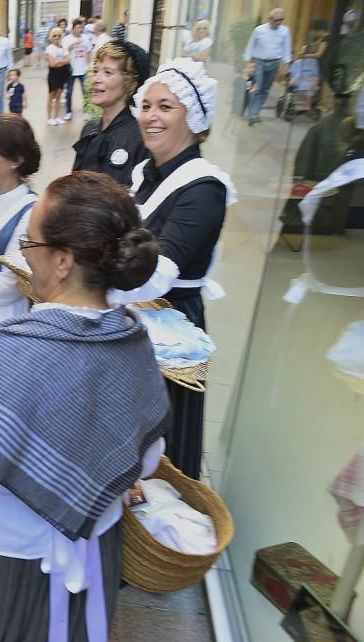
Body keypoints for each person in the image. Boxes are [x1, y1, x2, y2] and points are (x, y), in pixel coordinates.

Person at [0, 171, 170, 642]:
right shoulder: (132, 338)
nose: (25, 251)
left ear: (63, 261)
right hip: (92, 555)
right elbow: (148, 459)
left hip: (3, 567)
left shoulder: (12, 349)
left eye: (31, 240)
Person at [129, 58, 238, 478]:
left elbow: (159, 271)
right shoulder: (145, 174)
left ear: (193, 117)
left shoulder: (204, 188)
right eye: (147, 105)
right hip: (137, 316)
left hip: (172, 330)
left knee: (161, 444)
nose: (151, 117)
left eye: (166, 107)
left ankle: (157, 536)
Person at [73, 40, 150, 186]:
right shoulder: (90, 129)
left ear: (130, 84)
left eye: (107, 72)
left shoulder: (139, 139)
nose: (96, 79)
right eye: (96, 71)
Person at [243, 8, 292, 125]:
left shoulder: (284, 31)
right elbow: (251, 46)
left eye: (281, 20)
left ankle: (256, 111)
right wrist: (248, 63)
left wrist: (286, 64)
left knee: (265, 89)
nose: (279, 22)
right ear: (270, 19)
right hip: (259, 62)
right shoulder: (259, 30)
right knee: (256, 87)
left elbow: (286, 48)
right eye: (276, 20)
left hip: (274, 62)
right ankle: (252, 115)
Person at [63, 17, 92, 120]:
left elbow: (89, 52)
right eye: (78, 27)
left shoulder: (86, 37)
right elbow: (65, 53)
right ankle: (68, 112)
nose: (80, 29)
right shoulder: (67, 39)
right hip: (71, 69)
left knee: (86, 91)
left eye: (81, 27)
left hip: (83, 69)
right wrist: (72, 45)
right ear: (73, 28)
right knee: (69, 92)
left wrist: (90, 66)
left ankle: (87, 111)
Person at [45, 28, 71, 125]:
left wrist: (59, 61)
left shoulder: (64, 47)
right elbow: (52, 64)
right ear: (51, 37)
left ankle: (56, 117)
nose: (57, 37)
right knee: (51, 96)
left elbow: (68, 59)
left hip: (62, 74)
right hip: (53, 74)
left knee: (59, 96)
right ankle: (49, 118)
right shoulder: (49, 48)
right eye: (54, 35)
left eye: (59, 35)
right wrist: (62, 61)